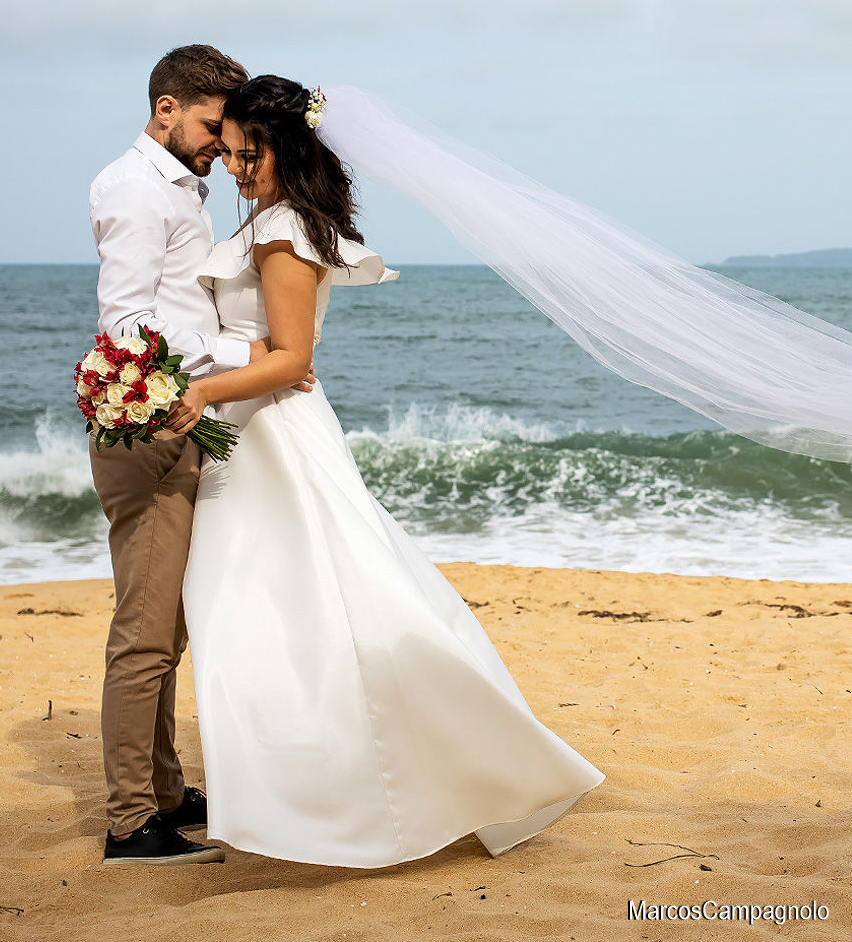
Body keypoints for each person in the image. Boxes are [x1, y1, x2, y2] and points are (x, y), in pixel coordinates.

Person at [163, 75, 605, 868]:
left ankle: (349, 793)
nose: (234, 168)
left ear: (286, 149)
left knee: (308, 611)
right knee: (287, 617)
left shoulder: (281, 230)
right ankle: (304, 793)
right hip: (260, 436)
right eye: (229, 154)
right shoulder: (280, 220)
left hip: (275, 442)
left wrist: (200, 390)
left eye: (246, 155)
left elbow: (291, 359)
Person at [87, 44, 314, 866]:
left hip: (178, 417)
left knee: (168, 629)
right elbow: (126, 323)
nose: (224, 145)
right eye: (214, 127)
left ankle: (166, 791)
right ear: (166, 110)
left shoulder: (183, 189)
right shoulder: (134, 188)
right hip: (149, 422)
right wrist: (239, 357)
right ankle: (127, 822)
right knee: (144, 633)